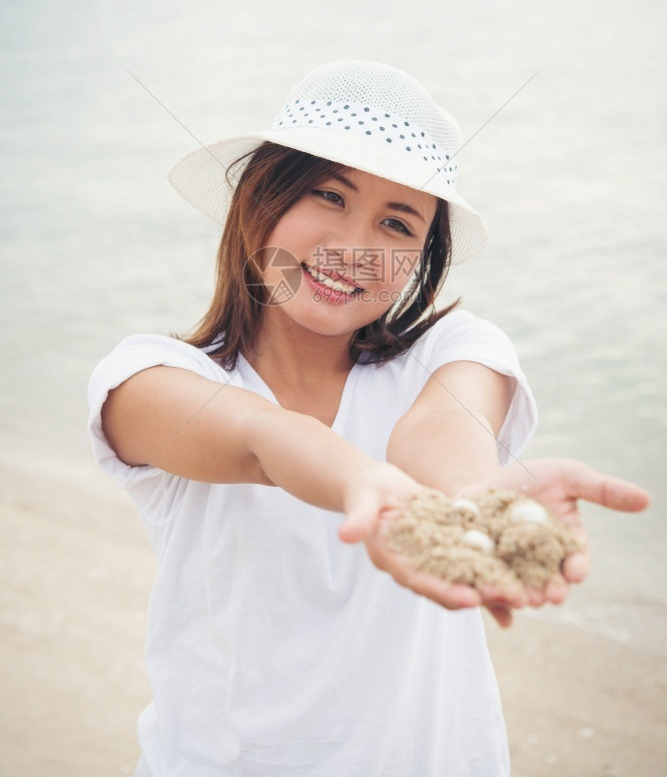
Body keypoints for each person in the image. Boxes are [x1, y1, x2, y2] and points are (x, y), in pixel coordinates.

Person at [88, 60, 649, 777]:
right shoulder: (149, 377)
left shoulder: (455, 350)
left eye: (396, 223)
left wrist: (471, 499)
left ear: (422, 257)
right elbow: (262, 437)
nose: (353, 246)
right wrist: (361, 483)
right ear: (260, 196)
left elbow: (443, 433)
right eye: (328, 195)